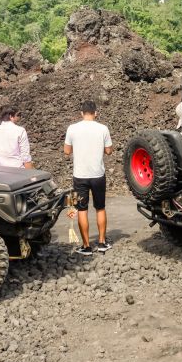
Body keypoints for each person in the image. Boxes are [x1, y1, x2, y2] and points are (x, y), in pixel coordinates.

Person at [64, 100, 113, 256]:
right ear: (95, 113)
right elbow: (109, 151)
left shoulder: (72, 128)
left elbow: (66, 151)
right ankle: (101, 242)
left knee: (82, 210)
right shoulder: (103, 128)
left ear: (81, 113)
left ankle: (86, 246)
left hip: (80, 175)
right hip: (98, 175)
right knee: (100, 207)